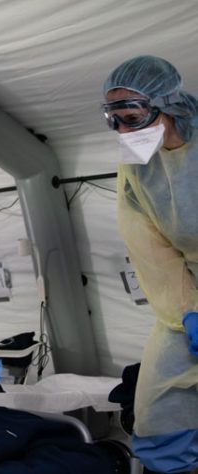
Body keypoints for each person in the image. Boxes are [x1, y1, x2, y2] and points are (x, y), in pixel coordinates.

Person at [102, 55, 198, 473]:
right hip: (183, 292)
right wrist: (188, 311)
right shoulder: (138, 167)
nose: (123, 131)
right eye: (113, 120)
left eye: (132, 117)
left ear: (169, 105)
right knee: (158, 400)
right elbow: (148, 244)